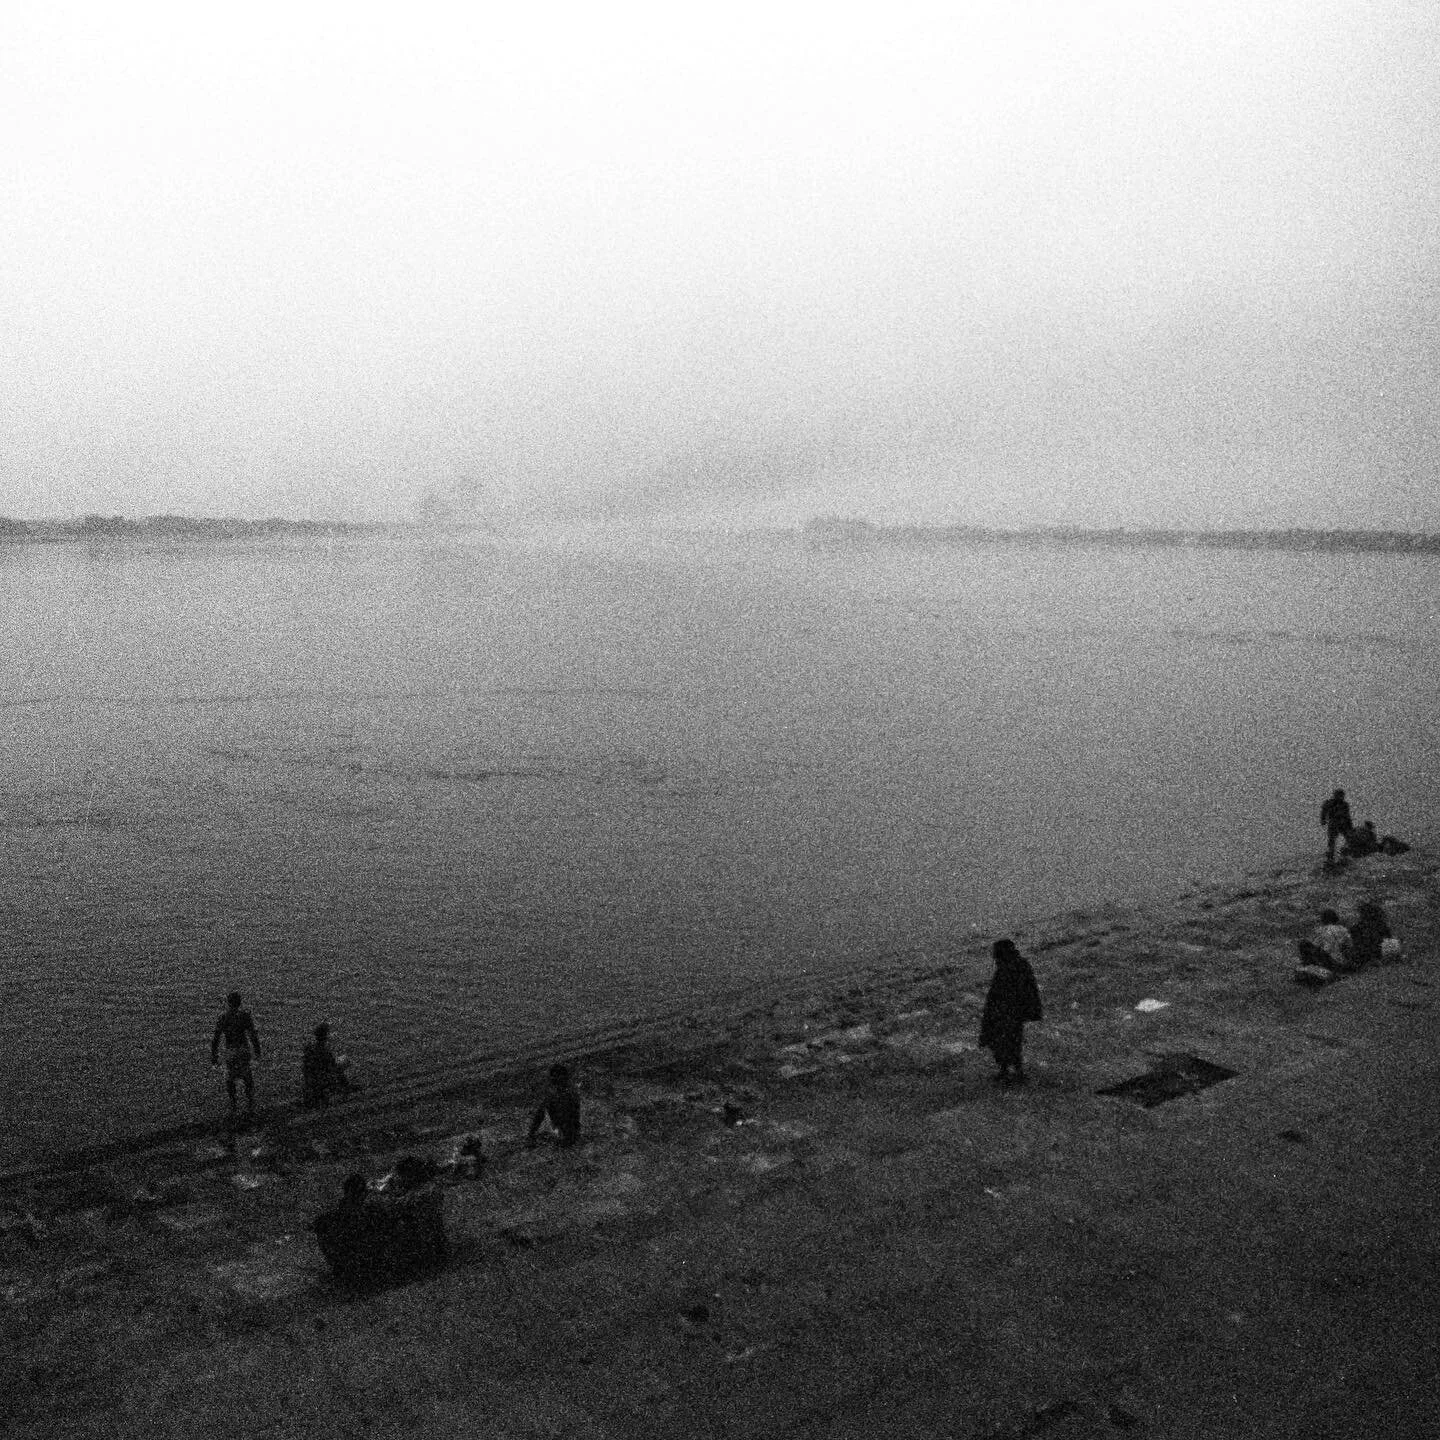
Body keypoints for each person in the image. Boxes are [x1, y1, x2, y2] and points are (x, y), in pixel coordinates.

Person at [978, 939, 1043, 1085]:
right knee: (1011, 1041)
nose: (993, 956)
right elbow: (1030, 989)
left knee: (1006, 1041)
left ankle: (1009, 1071)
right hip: (1011, 1012)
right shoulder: (1018, 964)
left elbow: (1021, 990)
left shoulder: (1009, 967)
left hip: (1006, 1012)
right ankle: (1011, 1071)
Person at [210, 991, 261, 1121]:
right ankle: (250, 1105)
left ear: (228, 1003)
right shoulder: (245, 1016)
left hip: (231, 1049)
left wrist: (214, 1056)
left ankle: (233, 1106)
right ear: (240, 1003)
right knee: (247, 1077)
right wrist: (257, 1051)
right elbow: (252, 1035)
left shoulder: (224, 1017)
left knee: (230, 1078)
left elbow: (216, 1038)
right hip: (243, 1049)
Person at [527, 1063, 582, 1148]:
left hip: (562, 1135)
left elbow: (539, 1116)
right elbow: (575, 1120)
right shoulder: (573, 1094)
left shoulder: (552, 1097)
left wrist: (531, 1134)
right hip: (573, 1135)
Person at [301, 1022, 351, 1108]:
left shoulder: (309, 1047)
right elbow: (333, 1067)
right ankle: (344, 1087)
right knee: (344, 1060)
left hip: (310, 1080)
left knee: (337, 1063)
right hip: (321, 1080)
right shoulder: (325, 1051)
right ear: (326, 1035)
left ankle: (340, 1086)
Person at [1348, 900, 1392, 969]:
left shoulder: (1356, 928)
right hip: (1378, 953)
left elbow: (1352, 942)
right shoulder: (1382, 926)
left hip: (1363, 955)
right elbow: (1388, 939)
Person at [1320, 789, 1354, 863]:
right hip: (1333, 823)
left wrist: (1350, 827)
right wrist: (1323, 820)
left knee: (1349, 838)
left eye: (1342, 796)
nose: (1341, 797)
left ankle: (1345, 853)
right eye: (1339, 795)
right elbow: (1324, 811)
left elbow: (1347, 816)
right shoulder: (1329, 803)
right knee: (1332, 841)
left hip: (1343, 824)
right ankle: (1330, 856)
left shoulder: (1344, 804)